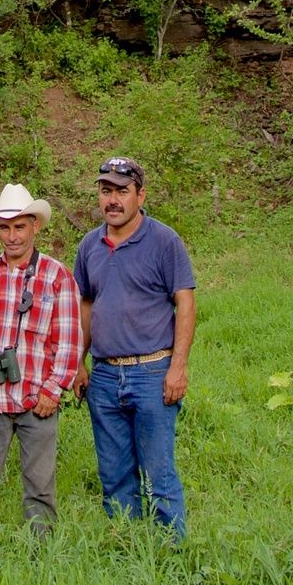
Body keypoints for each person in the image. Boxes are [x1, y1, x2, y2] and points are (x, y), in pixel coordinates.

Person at [0, 183, 81, 533]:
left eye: (19, 226)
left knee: (40, 488)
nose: (12, 236)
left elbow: (68, 339)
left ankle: (41, 554)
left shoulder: (56, 275)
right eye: (4, 227)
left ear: (35, 226)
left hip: (37, 397)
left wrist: (54, 389)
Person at [73, 155, 195, 538]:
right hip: (105, 375)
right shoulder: (89, 246)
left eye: (122, 192)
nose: (112, 200)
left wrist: (178, 367)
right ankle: (125, 544)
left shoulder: (163, 241)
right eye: (105, 191)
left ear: (140, 195)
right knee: (114, 473)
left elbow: (185, 302)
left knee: (159, 470)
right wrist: (78, 361)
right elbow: (87, 303)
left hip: (152, 372)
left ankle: (173, 550)